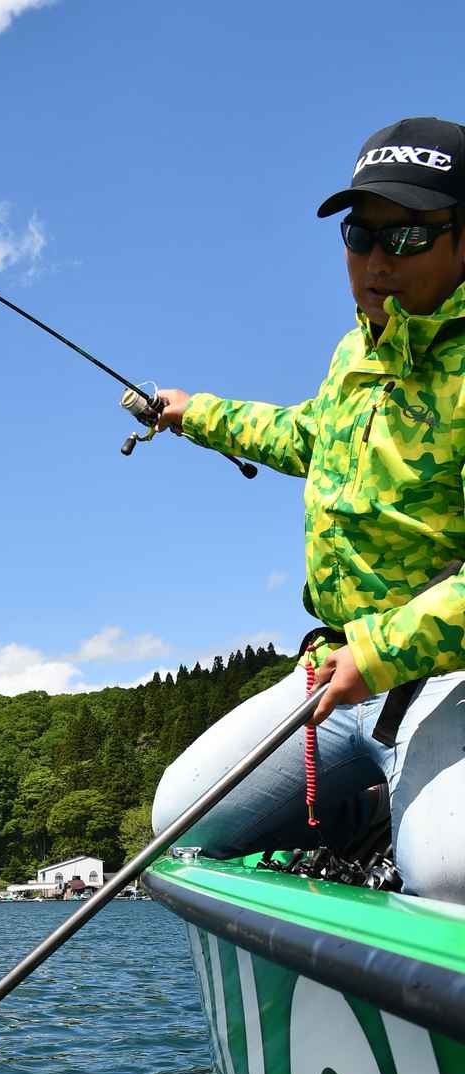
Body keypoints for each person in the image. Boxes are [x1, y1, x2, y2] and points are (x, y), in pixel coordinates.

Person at [150, 116, 465, 902]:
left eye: (409, 238)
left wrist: (381, 656)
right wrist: (196, 414)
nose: (374, 262)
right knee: (177, 820)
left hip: (442, 677)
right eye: (361, 235)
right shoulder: (354, 352)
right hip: (334, 671)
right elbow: (307, 434)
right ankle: (366, 820)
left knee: (450, 872)